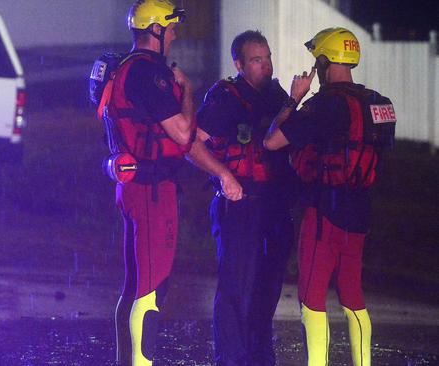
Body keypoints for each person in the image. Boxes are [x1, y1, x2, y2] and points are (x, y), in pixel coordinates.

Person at [263, 27, 396, 366]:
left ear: (323, 62)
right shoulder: (380, 104)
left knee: (312, 296)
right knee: (353, 295)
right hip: (360, 211)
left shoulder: (324, 105)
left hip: (323, 211)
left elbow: (272, 141)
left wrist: (294, 98)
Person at [189, 30, 296, 366]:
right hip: (239, 205)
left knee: (268, 286)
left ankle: (261, 356)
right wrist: (223, 175)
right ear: (239, 64)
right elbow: (192, 145)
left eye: (267, 58)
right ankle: (230, 359)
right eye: (256, 60)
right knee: (237, 287)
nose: (265, 66)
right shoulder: (224, 97)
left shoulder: (277, 94)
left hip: (274, 206)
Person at [96, 1, 193, 365]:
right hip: (152, 188)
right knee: (152, 290)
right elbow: (182, 132)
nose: (176, 33)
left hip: (132, 185)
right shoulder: (146, 73)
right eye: (171, 28)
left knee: (135, 286)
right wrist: (188, 93)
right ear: (156, 31)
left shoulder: (124, 67)